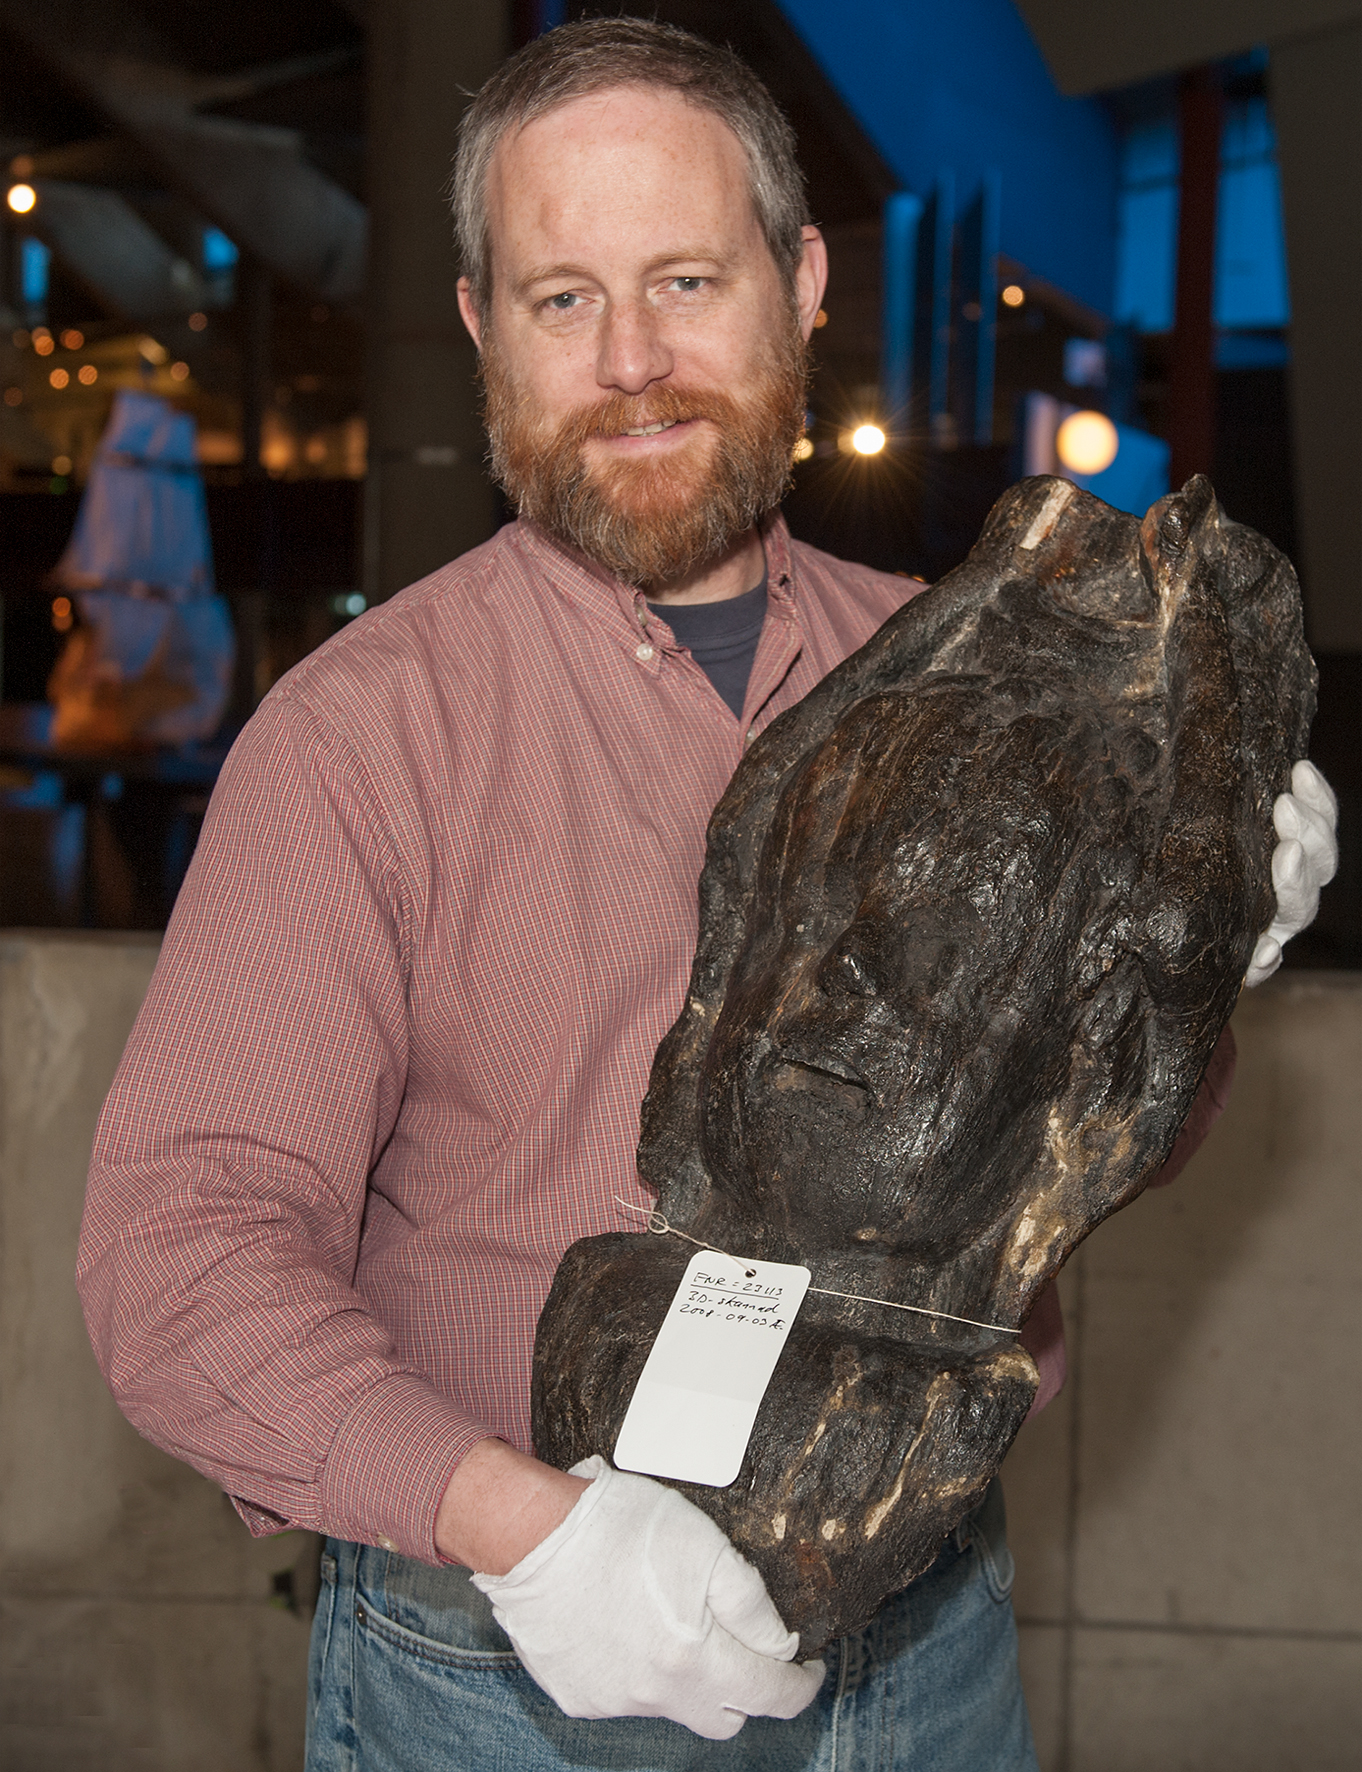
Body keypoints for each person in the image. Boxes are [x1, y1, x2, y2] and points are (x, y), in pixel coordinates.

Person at [77, 19, 1337, 1772]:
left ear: (802, 282)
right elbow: (179, 1259)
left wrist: (1199, 958)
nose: (633, 362)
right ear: (475, 327)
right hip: (507, 1671)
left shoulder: (962, 666)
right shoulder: (363, 742)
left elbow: (1066, 1154)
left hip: (928, 1641)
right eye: (561, 299)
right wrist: (531, 1529)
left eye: (683, 277)